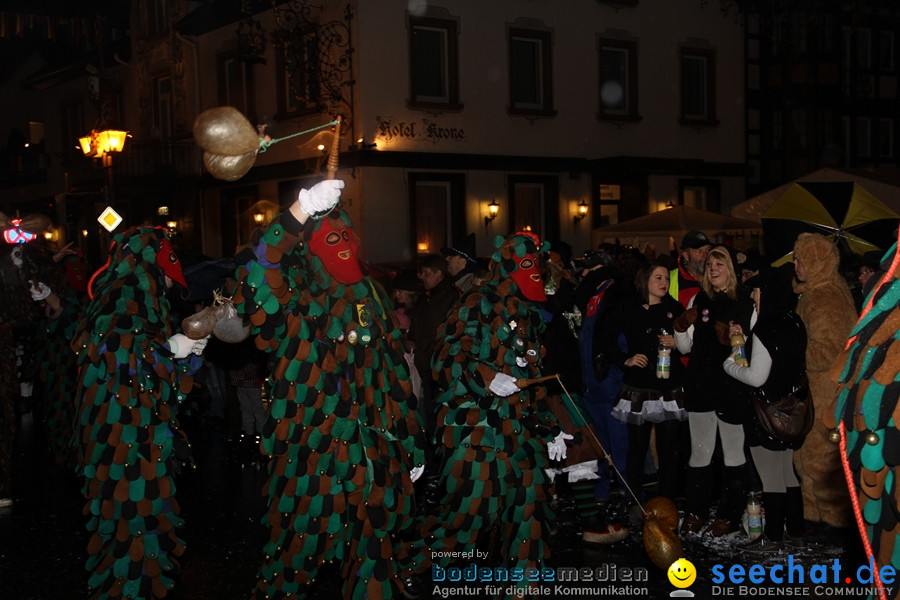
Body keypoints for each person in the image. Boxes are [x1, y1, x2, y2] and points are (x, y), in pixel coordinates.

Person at [231, 179, 425, 600]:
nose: (341, 244)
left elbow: (393, 374)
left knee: (374, 547)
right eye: (329, 237)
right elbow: (259, 273)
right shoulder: (294, 297)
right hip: (312, 451)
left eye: (346, 236)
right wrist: (298, 213)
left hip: (373, 449)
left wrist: (410, 443)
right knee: (297, 550)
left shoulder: (371, 297)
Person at [399, 232, 568, 596]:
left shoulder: (529, 317)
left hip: (520, 430)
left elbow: (533, 380)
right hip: (476, 430)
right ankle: (413, 565)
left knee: (530, 506)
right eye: (525, 265)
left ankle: (524, 582)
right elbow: (446, 359)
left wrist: (550, 427)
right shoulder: (476, 303)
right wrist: (488, 378)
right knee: (466, 519)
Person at [71, 225, 209, 600]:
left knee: (148, 524)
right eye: (166, 275)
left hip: (147, 436)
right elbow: (117, 354)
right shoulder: (122, 297)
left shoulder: (146, 302)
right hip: (123, 444)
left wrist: (186, 357)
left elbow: (155, 379)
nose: (168, 284)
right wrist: (169, 348)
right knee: (129, 527)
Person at [722, 264, 809, 553]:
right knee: (787, 474)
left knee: (771, 477)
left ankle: (771, 538)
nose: (754, 297)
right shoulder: (795, 322)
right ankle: (796, 532)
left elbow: (757, 376)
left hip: (766, 415)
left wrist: (730, 365)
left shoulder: (766, 328)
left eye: (757, 291)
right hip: (792, 412)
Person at [675, 245, 755, 537]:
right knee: (700, 453)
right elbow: (684, 347)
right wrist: (681, 327)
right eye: (709, 264)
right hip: (700, 385)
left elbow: (751, 347)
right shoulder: (699, 298)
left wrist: (735, 338)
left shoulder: (745, 301)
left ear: (730, 269)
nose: (712, 269)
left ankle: (729, 516)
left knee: (733, 454)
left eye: (719, 264)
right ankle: (696, 511)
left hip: (731, 386)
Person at [601, 260, 687, 502]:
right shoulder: (628, 307)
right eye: (658, 278)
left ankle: (666, 501)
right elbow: (605, 339)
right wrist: (625, 359)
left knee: (667, 449)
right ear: (645, 280)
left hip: (668, 387)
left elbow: (690, 344)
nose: (664, 283)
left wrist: (676, 344)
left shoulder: (675, 308)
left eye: (666, 279)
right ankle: (635, 499)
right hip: (638, 386)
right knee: (637, 448)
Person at [791, 232, 858, 530]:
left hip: (825, 389)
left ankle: (831, 521)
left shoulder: (826, 296)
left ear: (816, 262)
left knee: (820, 457)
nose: (796, 265)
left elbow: (831, 351)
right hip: (814, 390)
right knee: (807, 456)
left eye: (800, 259)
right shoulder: (815, 290)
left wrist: (790, 350)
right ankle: (812, 515)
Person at [407, 253, 460, 434]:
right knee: (427, 414)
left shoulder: (452, 297)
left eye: (426, 273)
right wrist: (411, 340)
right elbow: (415, 326)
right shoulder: (425, 298)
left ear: (439, 274)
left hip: (441, 369)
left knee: (440, 414)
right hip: (423, 366)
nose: (422, 277)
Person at [669, 229, 712, 308]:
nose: (706, 255)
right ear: (686, 256)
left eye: (708, 250)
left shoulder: (717, 277)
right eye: (699, 251)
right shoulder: (669, 279)